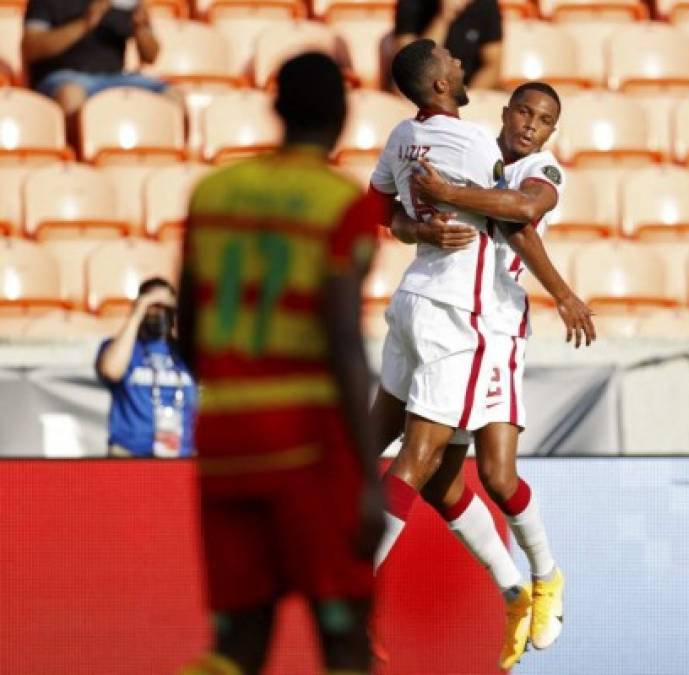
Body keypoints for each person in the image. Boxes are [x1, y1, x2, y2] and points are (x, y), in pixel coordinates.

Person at [367, 40, 591, 670]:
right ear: (506, 113)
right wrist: (421, 217)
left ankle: (545, 576)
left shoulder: (538, 171)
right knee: (441, 479)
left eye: (543, 121)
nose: (530, 126)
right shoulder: (479, 154)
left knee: (490, 474)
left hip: (491, 329)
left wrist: (564, 293)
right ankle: (516, 590)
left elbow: (521, 214)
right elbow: (397, 200)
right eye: (523, 113)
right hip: (451, 315)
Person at [176, 52, 384, 675]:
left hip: (223, 439)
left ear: (275, 108)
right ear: (343, 115)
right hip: (308, 446)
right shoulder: (341, 204)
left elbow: (189, 333)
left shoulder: (212, 194)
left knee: (237, 638)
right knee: (343, 634)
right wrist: (369, 475)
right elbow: (344, 341)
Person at [95, 276, 196, 459]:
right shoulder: (123, 347)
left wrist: (178, 317)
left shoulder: (184, 353)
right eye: (153, 306)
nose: (159, 313)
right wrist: (137, 313)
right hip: (130, 454)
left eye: (166, 308)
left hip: (181, 458)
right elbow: (111, 370)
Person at [22, 0, 167, 115]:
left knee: (173, 97)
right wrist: (85, 24)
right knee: (71, 95)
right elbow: (32, 48)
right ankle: (80, 150)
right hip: (64, 78)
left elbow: (151, 56)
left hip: (117, 78)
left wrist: (140, 28)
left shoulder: (124, 3)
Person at [390, 0, 502, 89]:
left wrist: (468, 101)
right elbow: (412, 68)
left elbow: (492, 65)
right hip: (422, 94)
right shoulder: (412, 3)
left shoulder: (487, 4)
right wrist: (444, 17)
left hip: (468, 93)